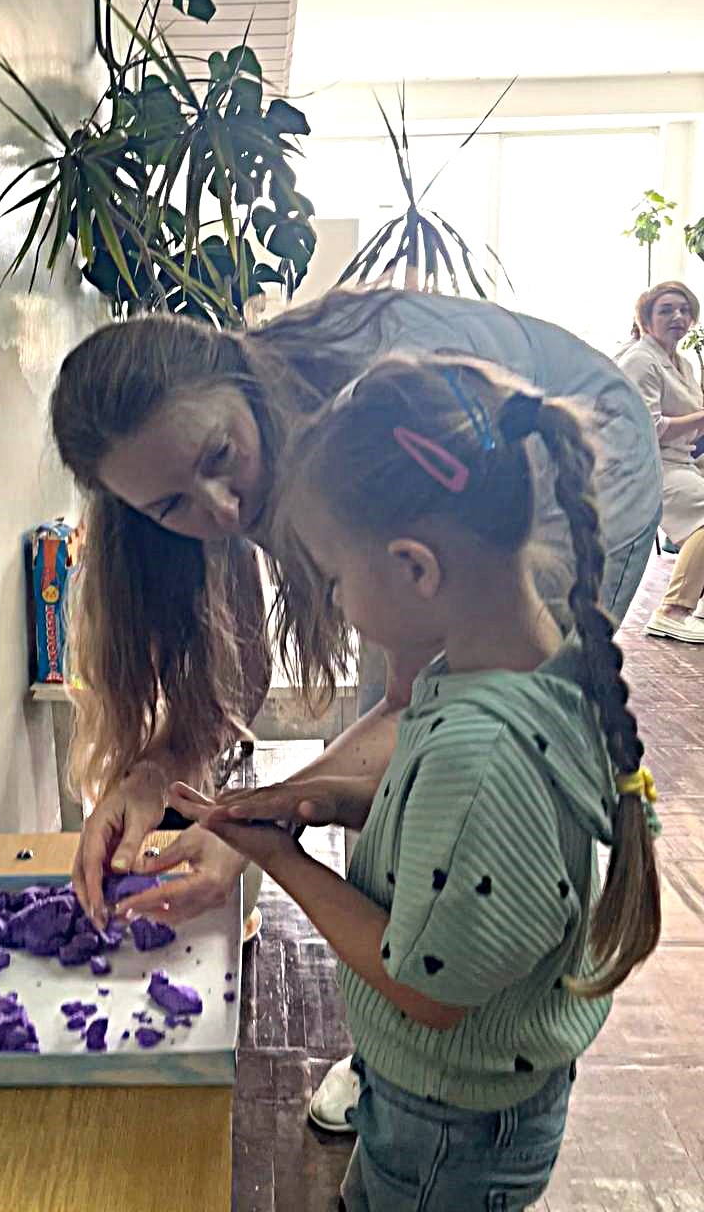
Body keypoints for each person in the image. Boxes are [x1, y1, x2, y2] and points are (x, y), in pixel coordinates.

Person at [49, 286, 661, 1129]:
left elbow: (414, 711)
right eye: (172, 508)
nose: (221, 509)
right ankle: (413, 1025)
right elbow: (246, 683)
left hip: (588, 454)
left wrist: (263, 842)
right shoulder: (223, 466)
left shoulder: (353, 433)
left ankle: (468, 1057)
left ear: (241, 384)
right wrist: (158, 777)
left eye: (220, 457)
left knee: (453, 760)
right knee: (416, 763)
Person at [168, 354, 662, 1211]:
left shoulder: (483, 754)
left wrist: (280, 862)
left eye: (334, 578)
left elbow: (426, 988)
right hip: (472, 1102)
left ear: (414, 567)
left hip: (450, 1128)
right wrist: (332, 801)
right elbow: (470, 847)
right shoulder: (537, 670)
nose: (336, 602)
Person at [619, 281, 704, 642]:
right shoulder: (641, 360)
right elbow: (648, 428)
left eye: (684, 310)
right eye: (666, 310)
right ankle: (672, 611)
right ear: (647, 318)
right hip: (649, 466)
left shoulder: (682, 364)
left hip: (680, 460)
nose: (677, 316)